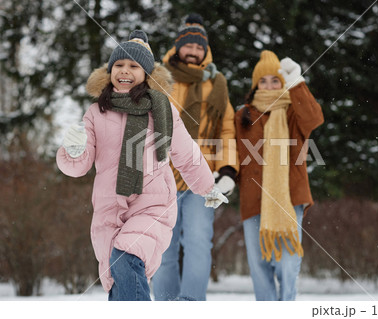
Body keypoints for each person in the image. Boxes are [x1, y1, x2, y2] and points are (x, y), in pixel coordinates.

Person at [56, 30, 228, 301]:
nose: (125, 71)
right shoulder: (96, 112)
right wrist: (73, 149)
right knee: (116, 276)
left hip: (153, 204)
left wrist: (208, 187)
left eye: (134, 66)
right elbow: (79, 167)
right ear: (110, 71)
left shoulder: (162, 109)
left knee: (126, 255)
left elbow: (186, 153)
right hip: (109, 208)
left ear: (146, 74)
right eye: (119, 65)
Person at [152, 14, 239, 301]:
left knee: (199, 244)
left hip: (203, 179)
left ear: (206, 51)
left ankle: (191, 305)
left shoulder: (217, 86)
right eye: (188, 45)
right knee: (163, 246)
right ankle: (165, 305)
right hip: (162, 175)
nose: (193, 51)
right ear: (178, 47)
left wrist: (227, 170)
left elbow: (226, 129)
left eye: (199, 47)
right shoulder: (159, 78)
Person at [235, 50, 324, 301]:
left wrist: (297, 80)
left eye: (275, 80)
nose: (269, 85)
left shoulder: (293, 112)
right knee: (259, 265)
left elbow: (315, 118)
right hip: (253, 198)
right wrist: (227, 174)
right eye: (263, 81)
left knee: (287, 261)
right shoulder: (243, 115)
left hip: (289, 194)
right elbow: (232, 151)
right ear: (255, 85)